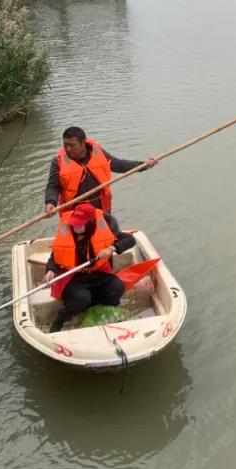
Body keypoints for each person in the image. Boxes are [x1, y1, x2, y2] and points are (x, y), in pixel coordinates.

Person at [45, 204, 137, 332]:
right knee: (81, 298)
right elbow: (54, 257)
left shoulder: (104, 230)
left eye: (80, 224)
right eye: (75, 223)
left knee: (117, 287)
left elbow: (130, 240)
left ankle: (101, 308)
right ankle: (60, 320)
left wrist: (111, 248)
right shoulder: (68, 233)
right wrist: (50, 270)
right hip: (74, 278)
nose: (75, 227)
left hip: (98, 274)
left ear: (90, 223)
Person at [43, 126, 156, 219]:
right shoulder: (57, 161)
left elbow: (119, 165)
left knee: (103, 239)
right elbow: (53, 186)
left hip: (100, 208)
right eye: (65, 144)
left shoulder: (98, 153)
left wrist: (143, 165)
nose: (67, 149)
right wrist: (50, 202)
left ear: (83, 142)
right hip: (75, 213)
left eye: (71, 145)